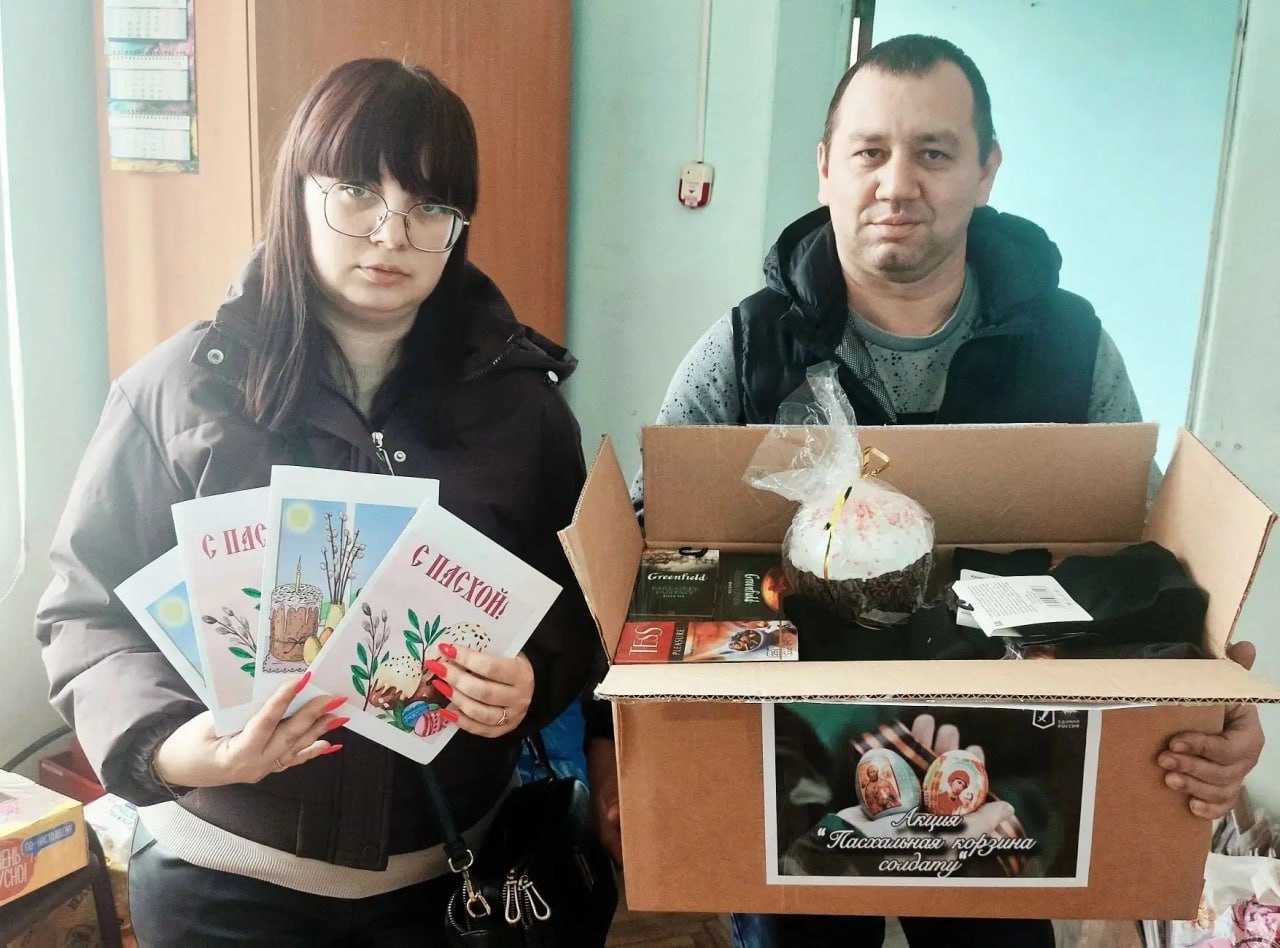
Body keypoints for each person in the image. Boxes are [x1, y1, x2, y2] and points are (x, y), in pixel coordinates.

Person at [584, 33, 1266, 948]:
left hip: (1004, 779)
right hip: (789, 780)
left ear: (987, 171)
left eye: (934, 153)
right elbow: (641, 564)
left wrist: (1214, 700)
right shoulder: (746, 352)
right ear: (826, 167)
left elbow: (1145, 556)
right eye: (869, 151)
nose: (897, 183)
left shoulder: (1069, 348)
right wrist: (612, 748)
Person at [38, 59, 598, 946]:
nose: (390, 234)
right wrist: (172, 746)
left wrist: (533, 675)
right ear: (296, 193)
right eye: (355, 192)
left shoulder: (523, 409)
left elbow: (580, 601)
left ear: (459, 227)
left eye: (429, 207)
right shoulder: (177, 392)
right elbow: (85, 612)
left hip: (449, 886)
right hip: (219, 881)